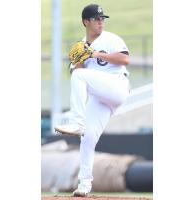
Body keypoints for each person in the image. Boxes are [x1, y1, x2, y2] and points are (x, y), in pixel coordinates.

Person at [55, 4, 131, 197]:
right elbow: (77, 71)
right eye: (96, 19)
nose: (100, 22)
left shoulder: (111, 38)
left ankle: (77, 122)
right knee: (87, 138)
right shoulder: (81, 45)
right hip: (100, 96)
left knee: (80, 77)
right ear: (85, 22)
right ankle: (84, 185)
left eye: (102, 18)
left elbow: (125, 60)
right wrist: (79, 59)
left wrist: (96, 54)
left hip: (117, 86)